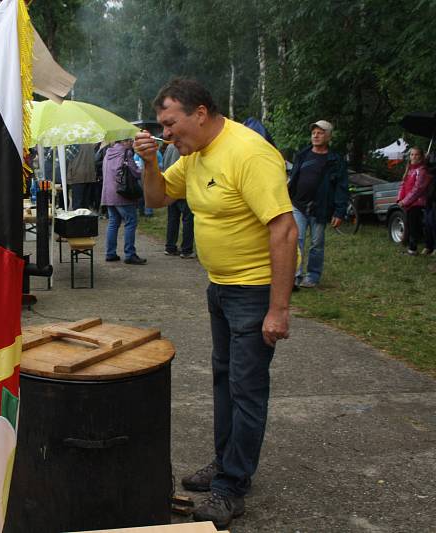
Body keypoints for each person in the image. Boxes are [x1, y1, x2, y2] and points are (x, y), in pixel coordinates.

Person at [134, 78, 297, 529]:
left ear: (200, 113)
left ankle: (231, 487)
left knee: (246, 390)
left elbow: (284, 229)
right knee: (224, 382)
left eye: (171, 124)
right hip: (221, 288)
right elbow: (156, 198)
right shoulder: (195, 155)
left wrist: (278, 309)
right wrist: (150, 161)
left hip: (254, 292)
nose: (166, 134)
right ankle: (227, 462)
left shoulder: (249, 152)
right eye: (163, 127)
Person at [287, 120, 348, 288]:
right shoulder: (303, 154)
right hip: (298, 205)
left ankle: (312, 275)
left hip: (320, 207)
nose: (315, 135)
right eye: (314, 132)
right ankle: (294, 275)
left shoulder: (335, 160)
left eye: (320, 133)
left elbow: (341, 187)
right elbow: (294, 178)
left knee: (317, 243)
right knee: (296, 240)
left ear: (328, 136)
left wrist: (339, 211)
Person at [101, 138, 146, 264]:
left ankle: (110, 253)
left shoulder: (107, 152)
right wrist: (143, 169)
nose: (132, 143)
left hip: (108, 193)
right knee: (131, 222)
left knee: (113, 223)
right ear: (124, 141)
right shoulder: (126, 153)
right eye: (130, 140)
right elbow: (136, 172)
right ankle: (130, 254)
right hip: (122, 194)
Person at [161, 142, 195, 258]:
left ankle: (170, 247)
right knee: (188, 220)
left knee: (172, 219)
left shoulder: (169, 147)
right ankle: (186, 250)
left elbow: (164, 164)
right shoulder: (188, 146)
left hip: (170, 188)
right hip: (184, 189)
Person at [396, 146, 432, 255]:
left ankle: (413, 249)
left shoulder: (421, 171)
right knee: (410, 226)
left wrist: (405, 201)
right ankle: (411, 247)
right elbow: (403, 185)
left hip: (417, 203)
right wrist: (399, 199)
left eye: (416, 154)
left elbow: (418, 189)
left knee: (414, 227)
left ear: (421, 156)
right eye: (412, 154)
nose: (414, 157)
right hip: (409, 203)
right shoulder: (410, 169)